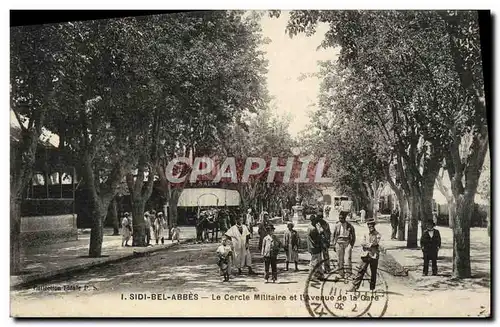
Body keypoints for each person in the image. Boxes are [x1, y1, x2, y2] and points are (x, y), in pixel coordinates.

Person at [351, 218, 381, 291]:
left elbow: (375, 243)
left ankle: (372, 288)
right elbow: (362, 243)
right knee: (361, 270)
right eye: (369, 225)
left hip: (374, 255)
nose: (370, 227)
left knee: (373, 272)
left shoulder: (378, 234)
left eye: (372, 225)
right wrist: (369, 245)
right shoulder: (365, 234)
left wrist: (368, 245)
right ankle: (355, 286)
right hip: (365, 254)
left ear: (374, 226)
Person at [332, 211, 356, 277]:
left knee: (347, 258)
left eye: (342, 218)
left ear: (345, 218)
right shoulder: (337, 225)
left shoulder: (350, 226)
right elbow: (333, 235)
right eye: (339, 218)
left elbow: (353, 236)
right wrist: (334, 244)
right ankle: (341, 273)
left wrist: (351, 245)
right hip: (339, 243)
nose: (340, 219)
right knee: (339, 259)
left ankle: (348, 273)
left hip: (347, 243)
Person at [307, 214, 324, 280]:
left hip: (315, 246)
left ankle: (319, 275)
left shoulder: (313, 226)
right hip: (314, 246)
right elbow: (314, 238)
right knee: (314, 261)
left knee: (318, 261)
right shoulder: (312, 228)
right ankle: (312, 275)